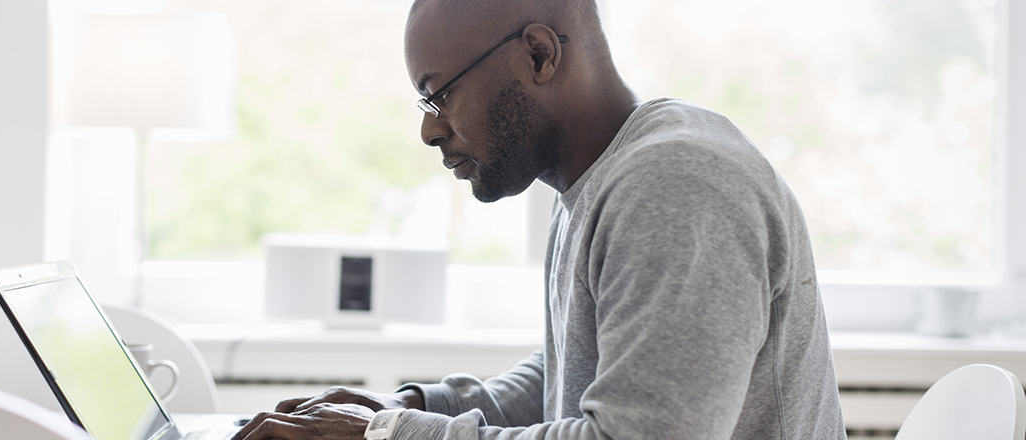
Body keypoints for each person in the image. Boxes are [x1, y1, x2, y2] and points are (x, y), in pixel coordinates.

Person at [231, 0, 846, 438]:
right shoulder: (600, 178)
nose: (428, 129)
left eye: (439, 93)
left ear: (538, 53)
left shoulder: (677, 185)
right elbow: (576, 375)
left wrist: (390, 436)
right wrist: (408, 406)